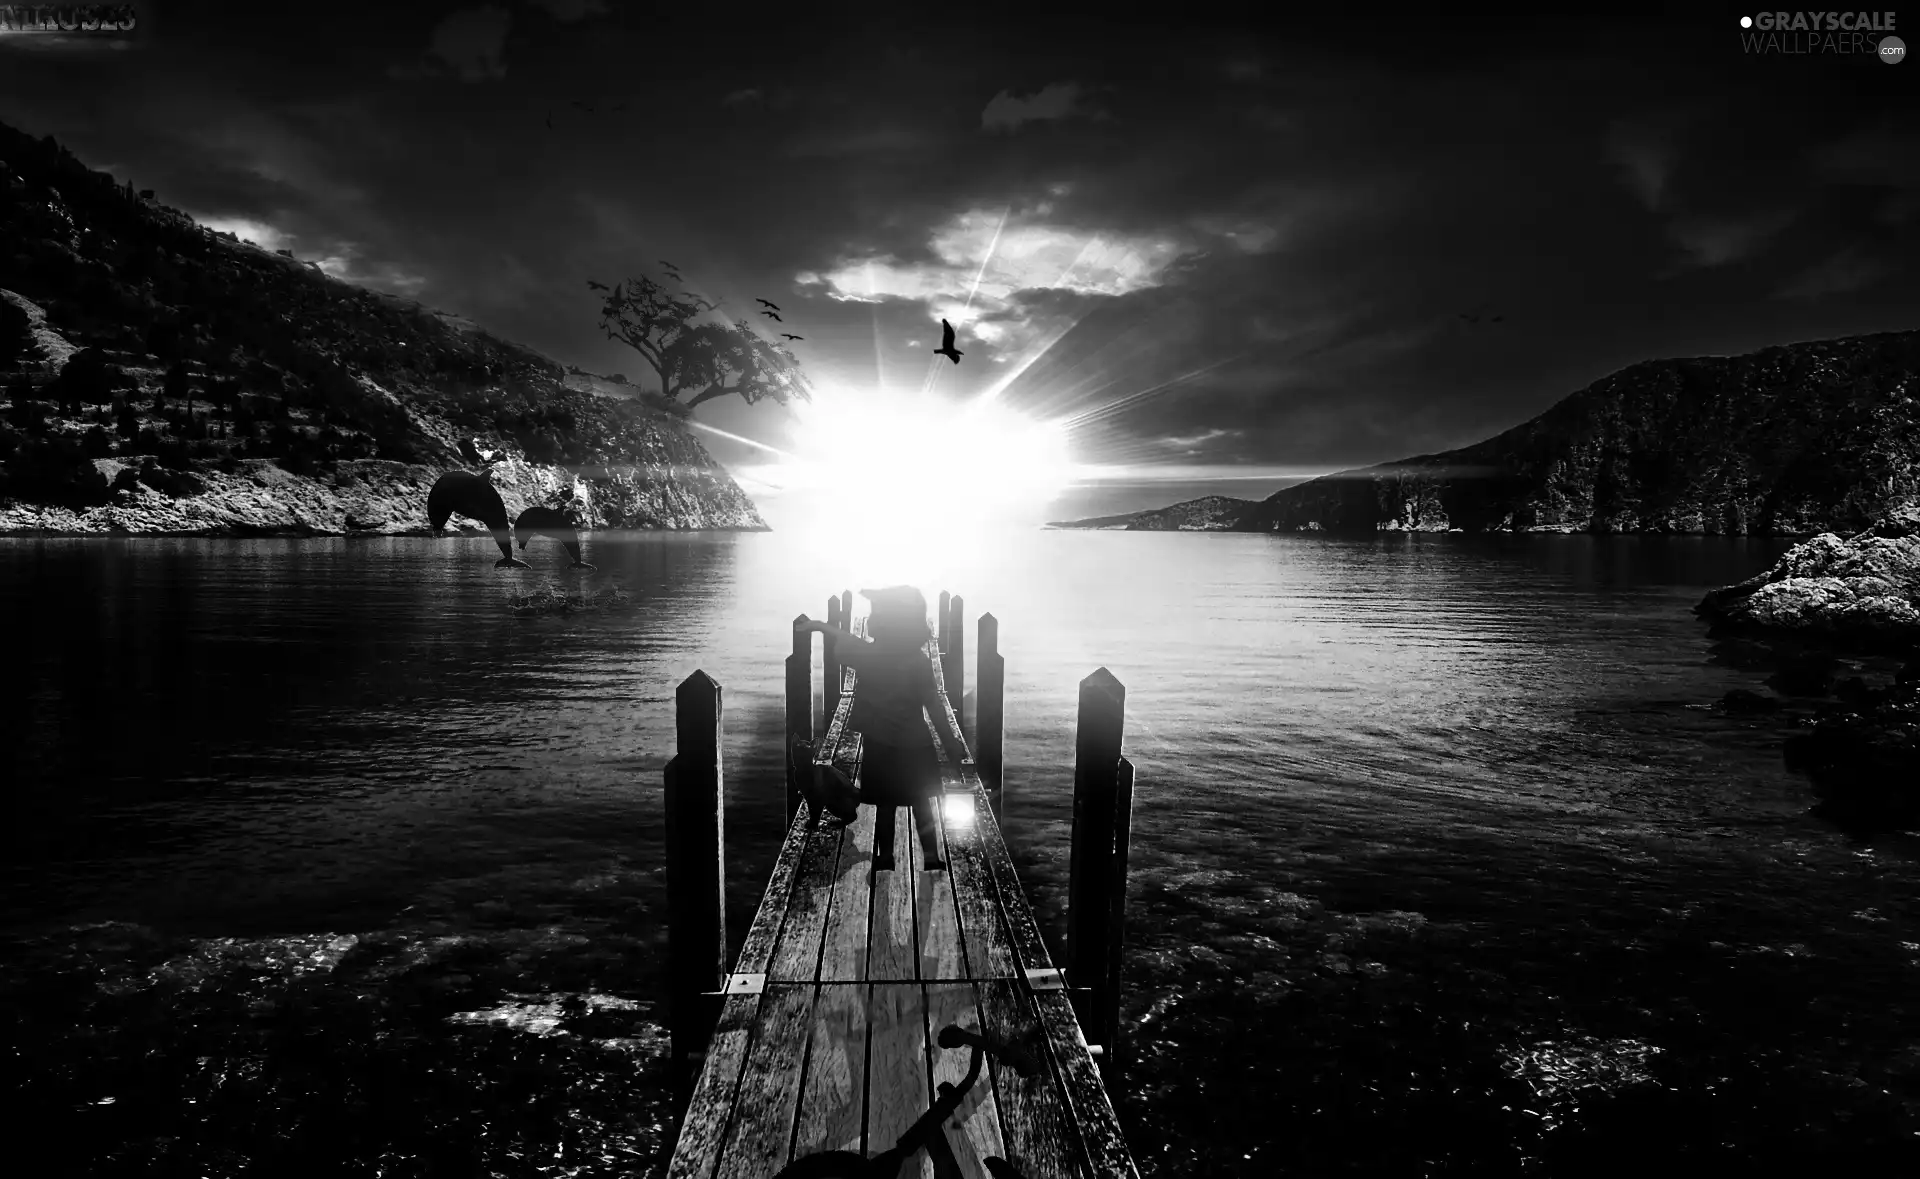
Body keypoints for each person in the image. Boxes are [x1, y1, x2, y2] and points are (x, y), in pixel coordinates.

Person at [799, 585, 969, 872]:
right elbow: (936, 708)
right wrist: (951, 745)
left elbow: (844, 638)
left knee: (886, 805)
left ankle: (886, 856)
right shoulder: (918, 661)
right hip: (916, 746)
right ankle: (930, 856)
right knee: (921, 802)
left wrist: (819, 626)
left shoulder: (870, 656)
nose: (872, 617)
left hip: (881, 745)